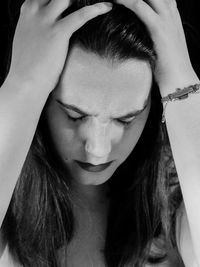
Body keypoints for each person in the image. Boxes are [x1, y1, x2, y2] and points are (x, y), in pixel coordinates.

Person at [0, 0, 200, 266]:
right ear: (42, 101)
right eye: (74, 115)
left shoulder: (175, 194)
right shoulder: (9, 188)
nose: (98, 148)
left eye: (126, 119)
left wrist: (184, 88)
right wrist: (22, 85)